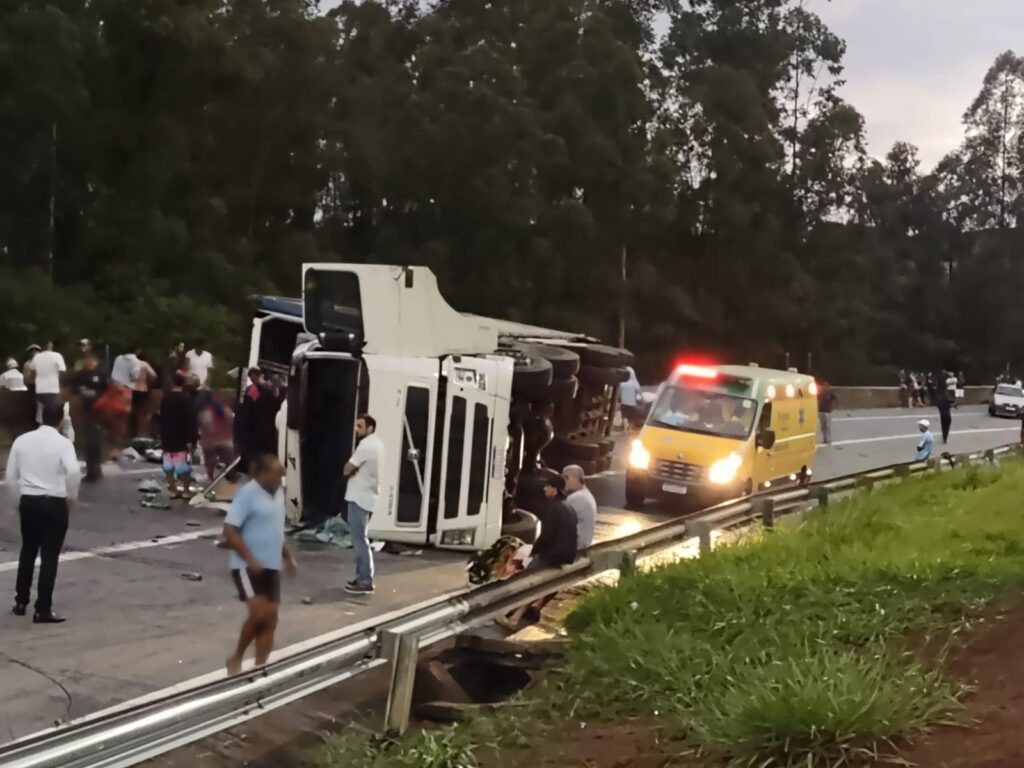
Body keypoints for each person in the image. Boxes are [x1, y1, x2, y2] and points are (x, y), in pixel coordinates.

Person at [7, 402, 81, 623]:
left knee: (28, 550)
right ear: (61, 420)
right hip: (54, 501)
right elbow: (74, 471)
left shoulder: (22, 440)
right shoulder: (63, 443)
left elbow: (12, 476)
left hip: (29, 501)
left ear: (40, 416)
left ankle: (21, 601)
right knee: (49, 555)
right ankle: (43, 608)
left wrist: (16, 501)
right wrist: (71, 497)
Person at [222, 454, 296, 675]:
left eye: (281, 477)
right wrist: (250, 559)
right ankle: (237, 656)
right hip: (247, 566)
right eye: (275, 477)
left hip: (271, 565)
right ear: (261, 475)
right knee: (259, 615)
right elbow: (229, 530)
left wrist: (286, 557)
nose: (279, 481)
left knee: (271, 618)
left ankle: (260, 667)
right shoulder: (248, 494)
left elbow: (276, 529)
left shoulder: (278, 493)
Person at [499, 475, 578, 629]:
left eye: (547, 486)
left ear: (554, 490)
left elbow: (547, 534)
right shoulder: (568, 507)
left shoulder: (552, 507)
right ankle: (516, 615)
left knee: (527, 581)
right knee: (539, 585)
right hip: (567, 555)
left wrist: (535, 551)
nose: (544, 488)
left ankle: (513, 618)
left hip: (552, 554)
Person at [343, 414, 384, 595]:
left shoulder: (366, 446)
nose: (356, 430)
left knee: (360, 541)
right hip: (368, 497)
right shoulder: (378, 445)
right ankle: (361, 577)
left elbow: (347, 469)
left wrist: (353, 470)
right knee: (361, 539)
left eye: (360, 426)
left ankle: (365, 580)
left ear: (370, 428)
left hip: (359, 497)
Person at [159, 373, 198, 499]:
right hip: (181, 438)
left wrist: (162, 436)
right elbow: (191, 421)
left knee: (168, 466)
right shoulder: (186, 400)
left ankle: (174, 490)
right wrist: (191, 440)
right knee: (183, 467)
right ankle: (186, 490)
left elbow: (162, 419)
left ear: (172, 383)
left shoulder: (166, 399)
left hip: (168, 437)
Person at [71, 356, 108, 482]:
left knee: (91, 442)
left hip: (91, 412)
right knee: (94, 441)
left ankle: (93, 470)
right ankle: (95, 470)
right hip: (94, 412)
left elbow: (76, 393)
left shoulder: (79, 376)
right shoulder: (99, 375)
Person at [236, 368, 278, 474]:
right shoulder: (272, 388)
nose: (251, 379)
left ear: (255, 375)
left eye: (251, 377)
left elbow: (249, 408)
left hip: (258, 426)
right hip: (268, 424)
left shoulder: (254, 390)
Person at [198, 391, 236, 481]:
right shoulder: (220, 407)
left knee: (210, 461)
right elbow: (231, 417)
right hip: (225, 440)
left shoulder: (203, 410)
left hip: (209, 442)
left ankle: (211, 480)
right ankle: (232, 478)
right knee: (230, 461)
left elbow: (207, 424)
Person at [562, 465, 596, 551]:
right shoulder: (587, 494)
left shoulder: (576, 498)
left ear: (577, 479)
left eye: (567, 478)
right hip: (583, 546)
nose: (564, 482)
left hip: (575, 549)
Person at [31, 342, 66, 423]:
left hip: (40, 388)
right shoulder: (57, 356)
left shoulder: (37, 357)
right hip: (52, 388)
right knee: (52, 410)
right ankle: (52, 429)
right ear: (51, 347)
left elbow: (32, 369)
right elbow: (62, 371)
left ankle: (41, 428)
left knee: (40, 411)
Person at [129, 351, 157, 438]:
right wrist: (149, 382)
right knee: (143, 411)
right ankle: (142, 432)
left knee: (133, 410)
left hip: (133, 390)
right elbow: (154, 375)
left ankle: (133, 431)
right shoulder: (144, 364)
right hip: (143, 389)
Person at [817, 380, 838, 445]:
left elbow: (836, 400)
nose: (825, 387)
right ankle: (825, 438)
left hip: (827, 412)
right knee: (822, 426)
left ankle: (828, 439)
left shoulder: (830, 393)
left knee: (828, 426)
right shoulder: (820, 393)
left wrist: (832, 408)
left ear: (828, 387)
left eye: (826, 386)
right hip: (821, 411)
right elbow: (817, 400)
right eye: (824, 386)